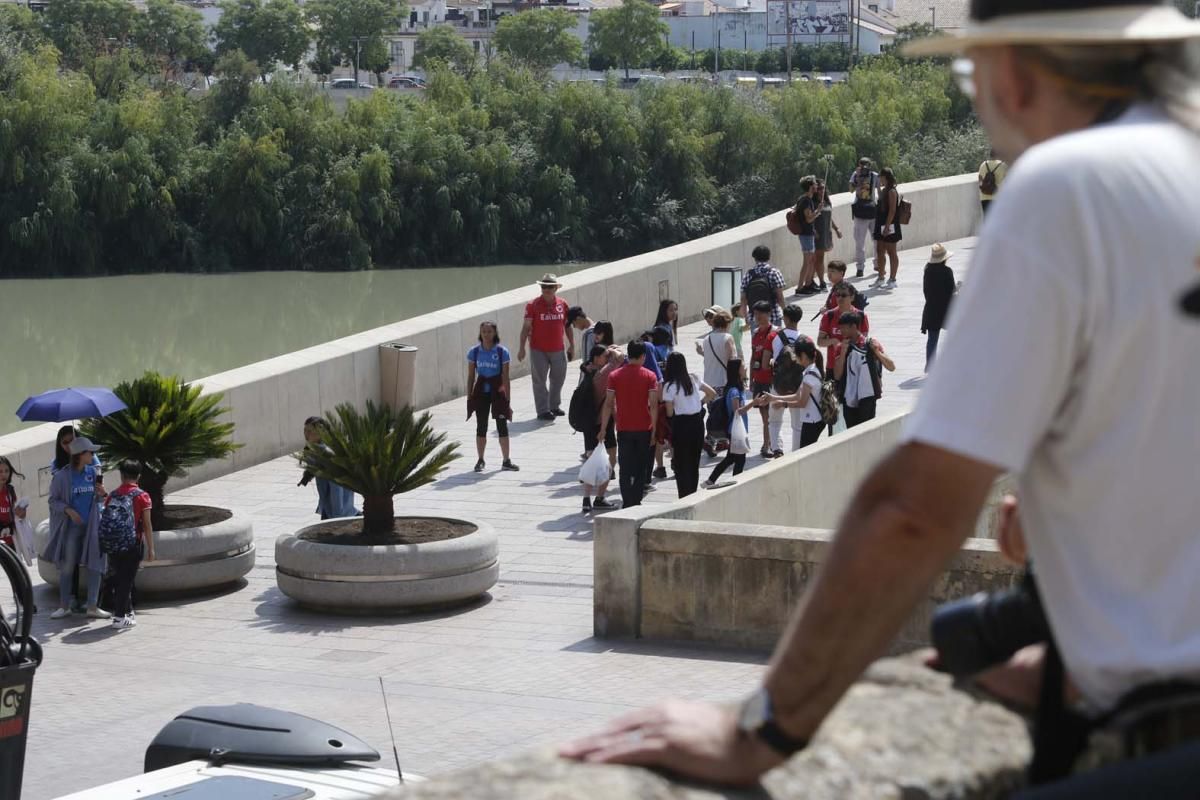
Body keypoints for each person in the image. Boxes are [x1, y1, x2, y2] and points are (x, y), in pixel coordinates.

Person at [559, 3, 1200, 790]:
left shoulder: (1069, 186)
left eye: (971, 74)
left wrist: (761, 729)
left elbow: (913, 512)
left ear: (1020, 76)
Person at [43, 436, 110, 620]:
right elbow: (53, 500)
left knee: (95, 565)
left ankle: (93, 606)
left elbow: (100, 499)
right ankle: (64, 606)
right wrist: (68, 510)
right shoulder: (62, 476)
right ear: (81, 455)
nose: (93, 455)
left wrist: (101, 494)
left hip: (92, 527)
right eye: (90, 452)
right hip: (72, 529)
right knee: (67, 566)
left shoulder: (92, 473)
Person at [598, 341, 659, 509]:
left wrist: (603, 428)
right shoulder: (650, 375)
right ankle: (636, 500)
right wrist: (653, 429)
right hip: (643, 428)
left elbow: (609, 404)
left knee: (624, 466)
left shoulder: (615, 376)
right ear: (643, 357)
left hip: (623, 427)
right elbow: (653, 405)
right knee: (641, 467)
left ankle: (626, 501)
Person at [102, 459, 155, 630]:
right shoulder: (142, 496)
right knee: (126, 581)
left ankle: (127, 613)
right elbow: (147, 524)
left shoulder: (113, 495)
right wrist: (151, 549)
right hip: (133, 544)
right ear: (138, 476)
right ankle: (118, 617)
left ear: (121, 475)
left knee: (121, 579)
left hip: (114, 543)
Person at [518, 274, 574, 421]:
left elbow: (567, 326)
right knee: (539, 380)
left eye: (549, 287)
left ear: (556, 288)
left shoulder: (563, 304)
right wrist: (521, 347)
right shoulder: (532, 305)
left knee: (558, 378)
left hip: (558, 348)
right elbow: (525, 327)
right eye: (543, 286)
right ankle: (542, 410)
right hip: (538, 349)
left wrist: (572, 345)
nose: (546, 289)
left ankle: (554, 406)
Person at [755, 336, 825, 450]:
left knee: (805, 455)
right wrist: (773, 397)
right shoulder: (809, 371)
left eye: (796, 355)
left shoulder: (810, 375)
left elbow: (802, 402)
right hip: (812, 420)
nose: (795, 359)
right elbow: (797, 395)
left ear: (803, 356)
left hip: (812, 421)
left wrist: (783, 404)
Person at [466, 321, 519, 473]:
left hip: (497, 390)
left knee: (502, 426)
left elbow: (505, 376)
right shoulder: (474, 352)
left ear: (495, 333)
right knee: (481, 426)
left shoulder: (502, 351)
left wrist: (507, 399)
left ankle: (506, 460)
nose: (486, 334)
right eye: (484, 331)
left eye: (489, 331)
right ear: (480, 333)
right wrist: (469, 396)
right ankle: (480, 459)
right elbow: (471, 376)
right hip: (481, 391)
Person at [660, 352, 715, 498]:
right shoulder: (693, 378)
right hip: (697, 423)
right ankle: (693, 493)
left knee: (681, 462)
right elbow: (712, 393)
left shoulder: (669, 386)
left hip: (681, 424)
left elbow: (670, 412)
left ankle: (683, 494)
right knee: (694, 461)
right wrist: (700, 403)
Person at [833, 312, 895, 428]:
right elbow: (837, 375)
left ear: (854, 326)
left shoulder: (870, 343)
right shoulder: (841, 347)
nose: (841, 331)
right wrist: (842, 353)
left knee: (866, 430)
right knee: (851, 432)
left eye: (843, 328)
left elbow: (891, 367)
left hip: (868, 396)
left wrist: (876, 352)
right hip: (848, 397)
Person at [581, 346, 621, 514]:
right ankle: (600, 497)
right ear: (597, 358)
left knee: (591, 461)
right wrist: (613, 351)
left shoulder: (587, 371)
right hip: (602, 423)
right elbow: (620, 358)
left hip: (588, 423)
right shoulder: (603, 374)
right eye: (604, 356)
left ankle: (586, 498)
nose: (607, 358)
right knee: (609, 460)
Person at [298, 418, 360, 518]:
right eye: (305, 430)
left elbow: (337, 486)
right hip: (329, 506)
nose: (306, 434)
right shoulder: (314, 448)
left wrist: (337, 515)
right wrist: (307, 475)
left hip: (338, 509)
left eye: (310, 431)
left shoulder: (327, 452)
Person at [703, 359, 750, 488]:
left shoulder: (736, 388)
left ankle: (710, 480)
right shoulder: (734, 391)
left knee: (731, 458)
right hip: (735, 430)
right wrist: (754, 403)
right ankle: (735, 486)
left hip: (737, 429)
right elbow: (737, 412)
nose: (745, 368)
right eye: (743, 366)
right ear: (737, 371)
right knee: (740, 460)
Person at [766, 304, 804, 457]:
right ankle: (797, 452)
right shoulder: (804, 338)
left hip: (778, 382)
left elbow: (765, 361)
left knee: (774, 420)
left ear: (786, 318)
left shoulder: (774, 336)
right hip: (797, 384)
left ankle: (777, 449)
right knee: (797, 424)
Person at [747, 301, 777, 458]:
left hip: (771, 380)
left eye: (760, 313)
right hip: (759, 379)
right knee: (765, 415)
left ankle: (768, 444)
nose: (757, 317)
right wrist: (751, 378)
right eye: (755, 314)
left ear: (768, 313)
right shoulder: (756, 333)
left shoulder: (776, 333)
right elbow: (753, 357)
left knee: (770, 416)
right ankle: (769, 443)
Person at [817, 283, 871, 369]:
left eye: (843, 295)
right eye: (837, 295)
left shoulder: (861, 316)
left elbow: (863, 343)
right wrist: (834, 341)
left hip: (855, 367)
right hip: (833, 366)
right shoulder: (828, 315)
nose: (840, 298)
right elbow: (820, 342)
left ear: (852, 297)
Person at [921, 243, 956, 372]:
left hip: (931, 309)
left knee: (932, 339)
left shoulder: (927, 271)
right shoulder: (947, 271)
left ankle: (930, 365)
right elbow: (951, 290)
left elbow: (925, 291)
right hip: (946, 309)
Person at [740, 246, 787, 332]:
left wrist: (746, 317)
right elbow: (780, 297)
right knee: (775, 342)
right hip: (773, 315)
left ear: (754, 257)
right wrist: (786, 312)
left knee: (757, 344)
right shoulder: (774, 272)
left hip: (754, 317)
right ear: (768, 257)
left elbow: (743, 298)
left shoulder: (748, 274)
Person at [872, 167, 902, 288]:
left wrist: (887, 226)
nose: (880, 179)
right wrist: (878, 187)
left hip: (889, 224)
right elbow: (881, 200)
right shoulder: (885, 190)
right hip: (881, 222)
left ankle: (893, 279)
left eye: (881, 177)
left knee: (891, 251)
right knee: (880, 250)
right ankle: (880, 277)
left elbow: (892, 210)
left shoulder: (892, 191)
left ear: (886, 177)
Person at [849, 157, 878, 278]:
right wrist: (858, 179)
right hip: (865, 209)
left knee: (873, 240)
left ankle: (872, 265)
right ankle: (865, 267)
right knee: (865, 241)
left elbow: (879, 190)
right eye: (863, 165)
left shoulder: (873, 175)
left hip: (868, 210)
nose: (865, 167)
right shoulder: (856, 174)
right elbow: (851, 190)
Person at [811, 179, 842, 292]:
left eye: (823, 188)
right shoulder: (813, 203)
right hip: (817, 233)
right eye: (819, 188)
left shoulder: (827, 202)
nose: (821, 190)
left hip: (825, 233)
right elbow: (810, 218)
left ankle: (813, 281)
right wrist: (813, 230)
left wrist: (836, 229)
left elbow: (829, 218)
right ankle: (821, 282)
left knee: (819, 258)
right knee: (817, 259)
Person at [792, 177, 822, 295]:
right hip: (805, 234)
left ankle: (808, 284)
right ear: (810, 187)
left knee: (811, 260)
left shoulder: (804, 199)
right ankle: (800, 288)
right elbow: (809, 219)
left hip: (807, 233)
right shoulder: (806, 201)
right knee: (807, 261)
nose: (817, 186)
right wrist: (818, 210)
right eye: (815, 184)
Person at [0, 456, 27, 553]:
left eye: (6, 471)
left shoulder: (10, 490)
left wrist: (22, 513)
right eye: (0, 471)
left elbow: (17, 515)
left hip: (10, 541)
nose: (4, 474)